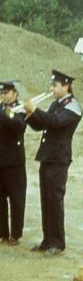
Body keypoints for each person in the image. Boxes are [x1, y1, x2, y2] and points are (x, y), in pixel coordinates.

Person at [24, 70, 83, 257]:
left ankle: (58, 242)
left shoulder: (73, 106)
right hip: (48, 157)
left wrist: (36, 110)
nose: (52, 89)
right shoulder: (55, 104)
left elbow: (55, 122)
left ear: (66, 86)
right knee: (46, 200)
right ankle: (47, 240)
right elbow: (41, 125)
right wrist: (30, 114)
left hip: (59, 159)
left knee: (55, 201)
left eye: (55, 86)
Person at [0, 81, 27, 245]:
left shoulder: (20, 108)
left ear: (15, 94)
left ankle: (16, 234)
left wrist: (3, 113)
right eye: (2, 92)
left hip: (14, 161)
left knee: (16, 199)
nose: (3, 95)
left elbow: (18, 125)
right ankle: (2, 233)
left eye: (7, 92)